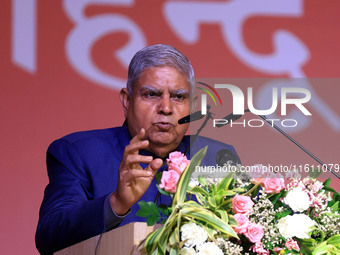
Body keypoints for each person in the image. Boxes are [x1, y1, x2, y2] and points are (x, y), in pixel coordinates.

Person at [35, 44, 240, 255]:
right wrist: (116, 204)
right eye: (152, 94)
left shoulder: (217, 157)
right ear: (126, 100)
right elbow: (49, 236)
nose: (166, 108)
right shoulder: (79, 153)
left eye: (179, 96)